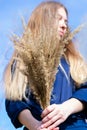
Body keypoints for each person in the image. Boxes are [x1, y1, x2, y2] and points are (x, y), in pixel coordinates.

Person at [4, 1, 87, 130]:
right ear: (42, 21)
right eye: (58, 19)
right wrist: (35, 125)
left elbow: (85, 89)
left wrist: (66, 108)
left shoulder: (73, 59)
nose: (64, 25)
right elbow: (14, 101)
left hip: (75, 126)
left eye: (66, 21)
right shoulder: (23, 59)